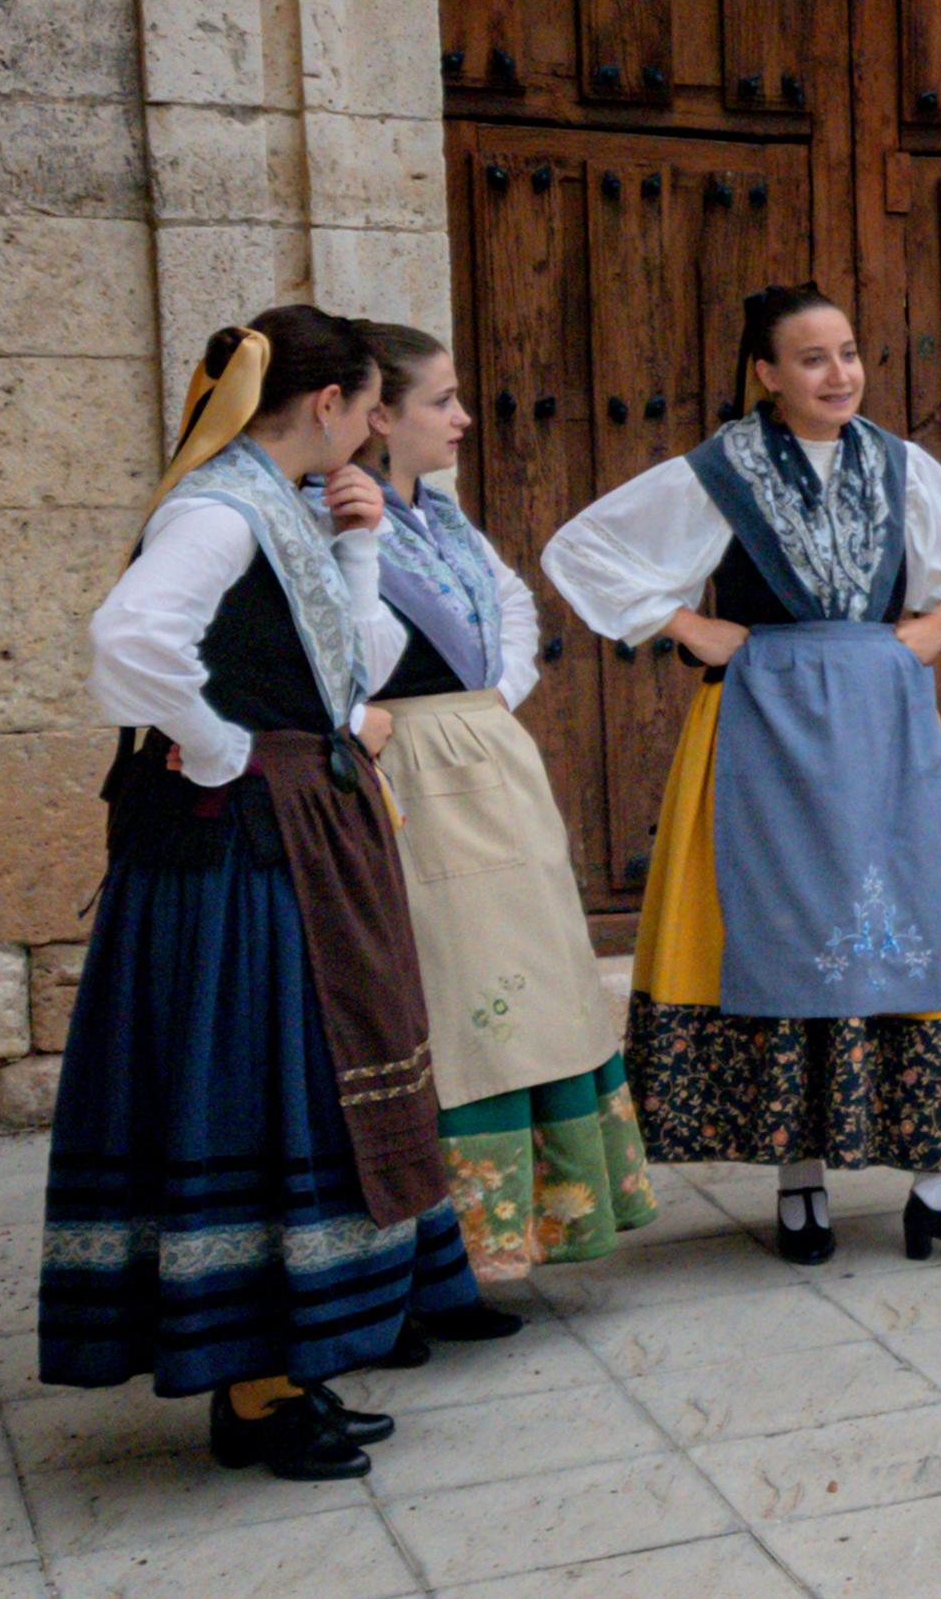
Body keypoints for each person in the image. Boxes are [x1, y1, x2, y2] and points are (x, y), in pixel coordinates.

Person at [51, 306, 486, 1481]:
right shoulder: (214, 508)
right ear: (334, 406)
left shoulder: (284, 505)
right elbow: (131, 641)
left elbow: (357, 667)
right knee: (261, 1089)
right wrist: (211, 748)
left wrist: (355, 543)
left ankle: (283, 1371)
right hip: (239, 856)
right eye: (366, 407)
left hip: (300, 833)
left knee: (312, 1081)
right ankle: (254, 1383)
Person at [541, 285, 941, 1265]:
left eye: (848, 352)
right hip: (761, 728)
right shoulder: (717, 471)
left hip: (883, 728)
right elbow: (583, 548)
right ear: (766, 374)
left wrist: (935, 626)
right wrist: (687, 624)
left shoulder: (897, 462)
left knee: (913, 925)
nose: (839, 373)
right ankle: (797, 1169)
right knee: (780, 927)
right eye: (812, 358)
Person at [347, 323, 653, 1287]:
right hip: (420, 783)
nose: (462, 417)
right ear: (378, 414)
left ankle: (500, 1246)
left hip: (483, 761)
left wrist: (494, 693)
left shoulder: (439, 518)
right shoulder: (338, 517)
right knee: (462, 1010)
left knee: (535, 998)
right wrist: (365, 716)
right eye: (441, 400)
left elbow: (513, 600)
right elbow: (313, 641)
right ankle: (436, 1259)